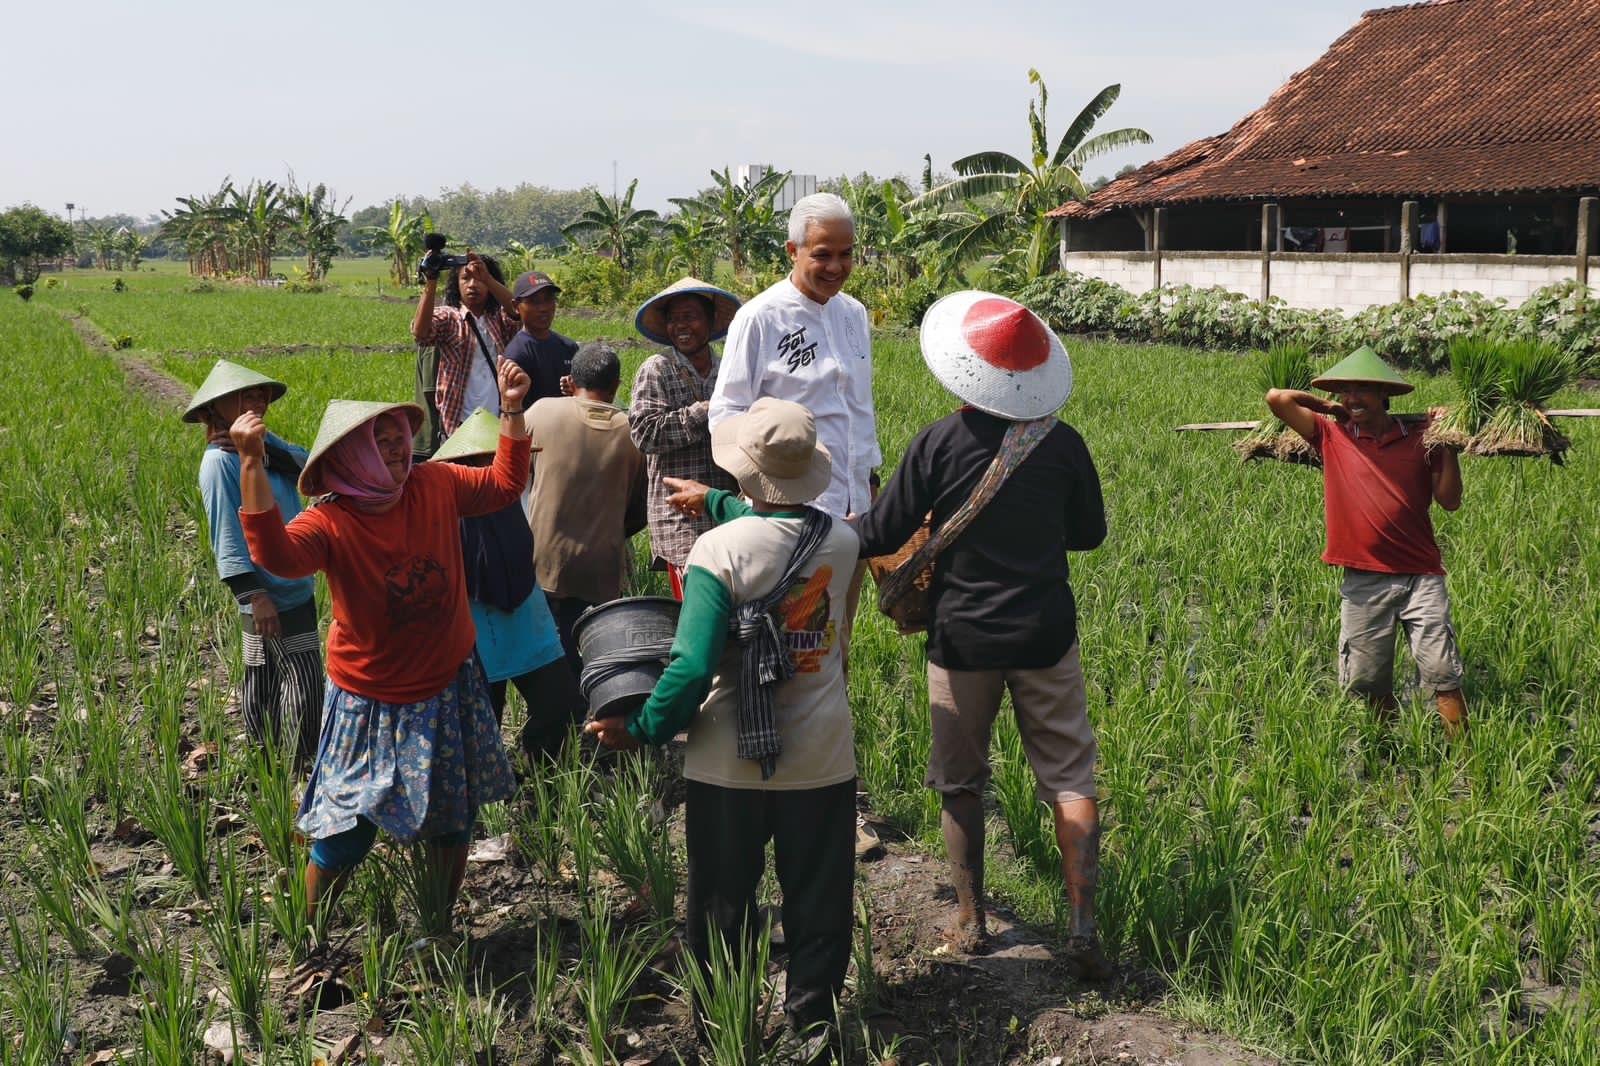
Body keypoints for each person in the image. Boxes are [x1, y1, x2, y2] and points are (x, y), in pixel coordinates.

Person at [585, 398, 861, 1056]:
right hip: (821, 757)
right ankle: (811, 1029)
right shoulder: (843, 542)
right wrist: (714, 501)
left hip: (727, 762)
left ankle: (720, 1026)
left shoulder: (716, 554)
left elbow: (691, 667)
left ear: (744, 470)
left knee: (721, 904)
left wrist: (643, 729)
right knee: (819, 902)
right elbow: (782, 533)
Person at [853, 292, 1111, 978]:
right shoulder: (1063, 442)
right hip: (1046, 632)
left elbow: (879, 533)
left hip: (963, 635)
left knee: (960, 782)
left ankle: (970, 922)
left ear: (966, 369)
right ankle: (1083, 930)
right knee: (1069, 778)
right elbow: (1090, 534)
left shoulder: (940, 441)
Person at [231, 360, 532, 937]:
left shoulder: (434, 484)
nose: (399, 450)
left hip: (446, 685)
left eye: (401, 439)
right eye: (382, 442)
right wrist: (250, 460)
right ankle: (306, 928)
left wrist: (513, 409)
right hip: (371, 699)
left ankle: (438, 925)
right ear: (350, 458)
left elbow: (504, 484)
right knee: (347, 829)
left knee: (450, 820)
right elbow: (275, 555)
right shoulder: (331, 523)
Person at [709, 190, 884, 859]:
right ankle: (766, 793)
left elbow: (858, 415)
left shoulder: (855, 315)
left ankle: (837, 799)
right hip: (789, 519)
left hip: (851, 519)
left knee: (834, 657)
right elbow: (725, 412)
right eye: (822, 255)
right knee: (781, 660)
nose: (837, 266)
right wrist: (757, 490)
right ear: (791, 251)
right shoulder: (760, 318)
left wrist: (870, 494)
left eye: (846, 254)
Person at [1265, 344, 1467, 736]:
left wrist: (1447, 441)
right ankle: (1385, 754)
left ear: (1385, 395)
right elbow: (1278, 398)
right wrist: (1332, 408)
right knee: (1371, 682)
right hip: (1362, 581)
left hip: (1420, 576)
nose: (1353, 398)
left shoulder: (1422, 438)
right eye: (1347, 390)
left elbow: (1450, 501)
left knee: (1444, 676)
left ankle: (1466, 763)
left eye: (1363, 390)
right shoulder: (1329, 435)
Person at [187, 359, 323, 764]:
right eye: (246, 395)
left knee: (264, 672)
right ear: (218, 407)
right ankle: (296, 765)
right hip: (269, 591)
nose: (258, 401)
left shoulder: (261, 445)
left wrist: (267, 451)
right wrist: (254, 596)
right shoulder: (219, 463)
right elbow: (225, 535)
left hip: (294, 579)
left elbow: (310, 467)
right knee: (302, 682)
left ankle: (266, 760)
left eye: (261, 394)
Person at [431, 408, 584, 762]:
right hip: (476, 624)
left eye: (497, 460)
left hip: (526, 616)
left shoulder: (515, 499)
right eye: (481, 461)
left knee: (559, 703)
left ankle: (537, 768)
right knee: (484, 717)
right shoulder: (449, 512)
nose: (490, 468)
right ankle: (492, 791)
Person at [525, 342, 647, 675]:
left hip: (546, 561)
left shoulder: (541, 413)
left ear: (571, 378)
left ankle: (570, 717)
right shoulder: (632, 432)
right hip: (603, 566)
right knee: (599, 652)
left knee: (554, 652)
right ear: (617, 386)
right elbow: (639, 510)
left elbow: (514, 477)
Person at [630, 277, 743, 597]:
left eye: (690, 317)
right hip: (679, 518)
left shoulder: (728, 370)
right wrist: (705, 411)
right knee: (695, 608)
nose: (681, 325)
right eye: (674, 319)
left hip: (726, 509)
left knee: (733, 610)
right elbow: (644, 434)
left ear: (709, 321)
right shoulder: (657, 369)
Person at [411, 251, 519, 440]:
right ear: (457, 284)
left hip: (497, 418)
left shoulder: (499, 319)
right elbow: (421, 333)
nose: (472, 285)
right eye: (465, 278)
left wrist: (489, 279)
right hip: (458, 422)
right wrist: (431, 280)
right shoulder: (450, 318)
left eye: (479, 279)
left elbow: (518, 312)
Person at [503, 271, 580, 403]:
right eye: (534, 301)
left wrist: (575, 389)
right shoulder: (517, 355)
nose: (543, 308)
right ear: (516, 306)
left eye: (548, 299)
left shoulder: (569, 347)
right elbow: (514, 407)